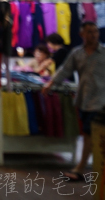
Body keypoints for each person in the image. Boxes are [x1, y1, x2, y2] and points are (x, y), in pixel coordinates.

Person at [43, 22, 105, 182]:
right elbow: (65, 70)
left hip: (101, 101)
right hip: (84, 100)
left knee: (90, 135)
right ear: (82, 34)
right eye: (89, 32)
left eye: (95, 31)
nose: (93, 34)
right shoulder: (77, 53)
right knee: (89, 135)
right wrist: (50, 84)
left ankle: (80, 168)